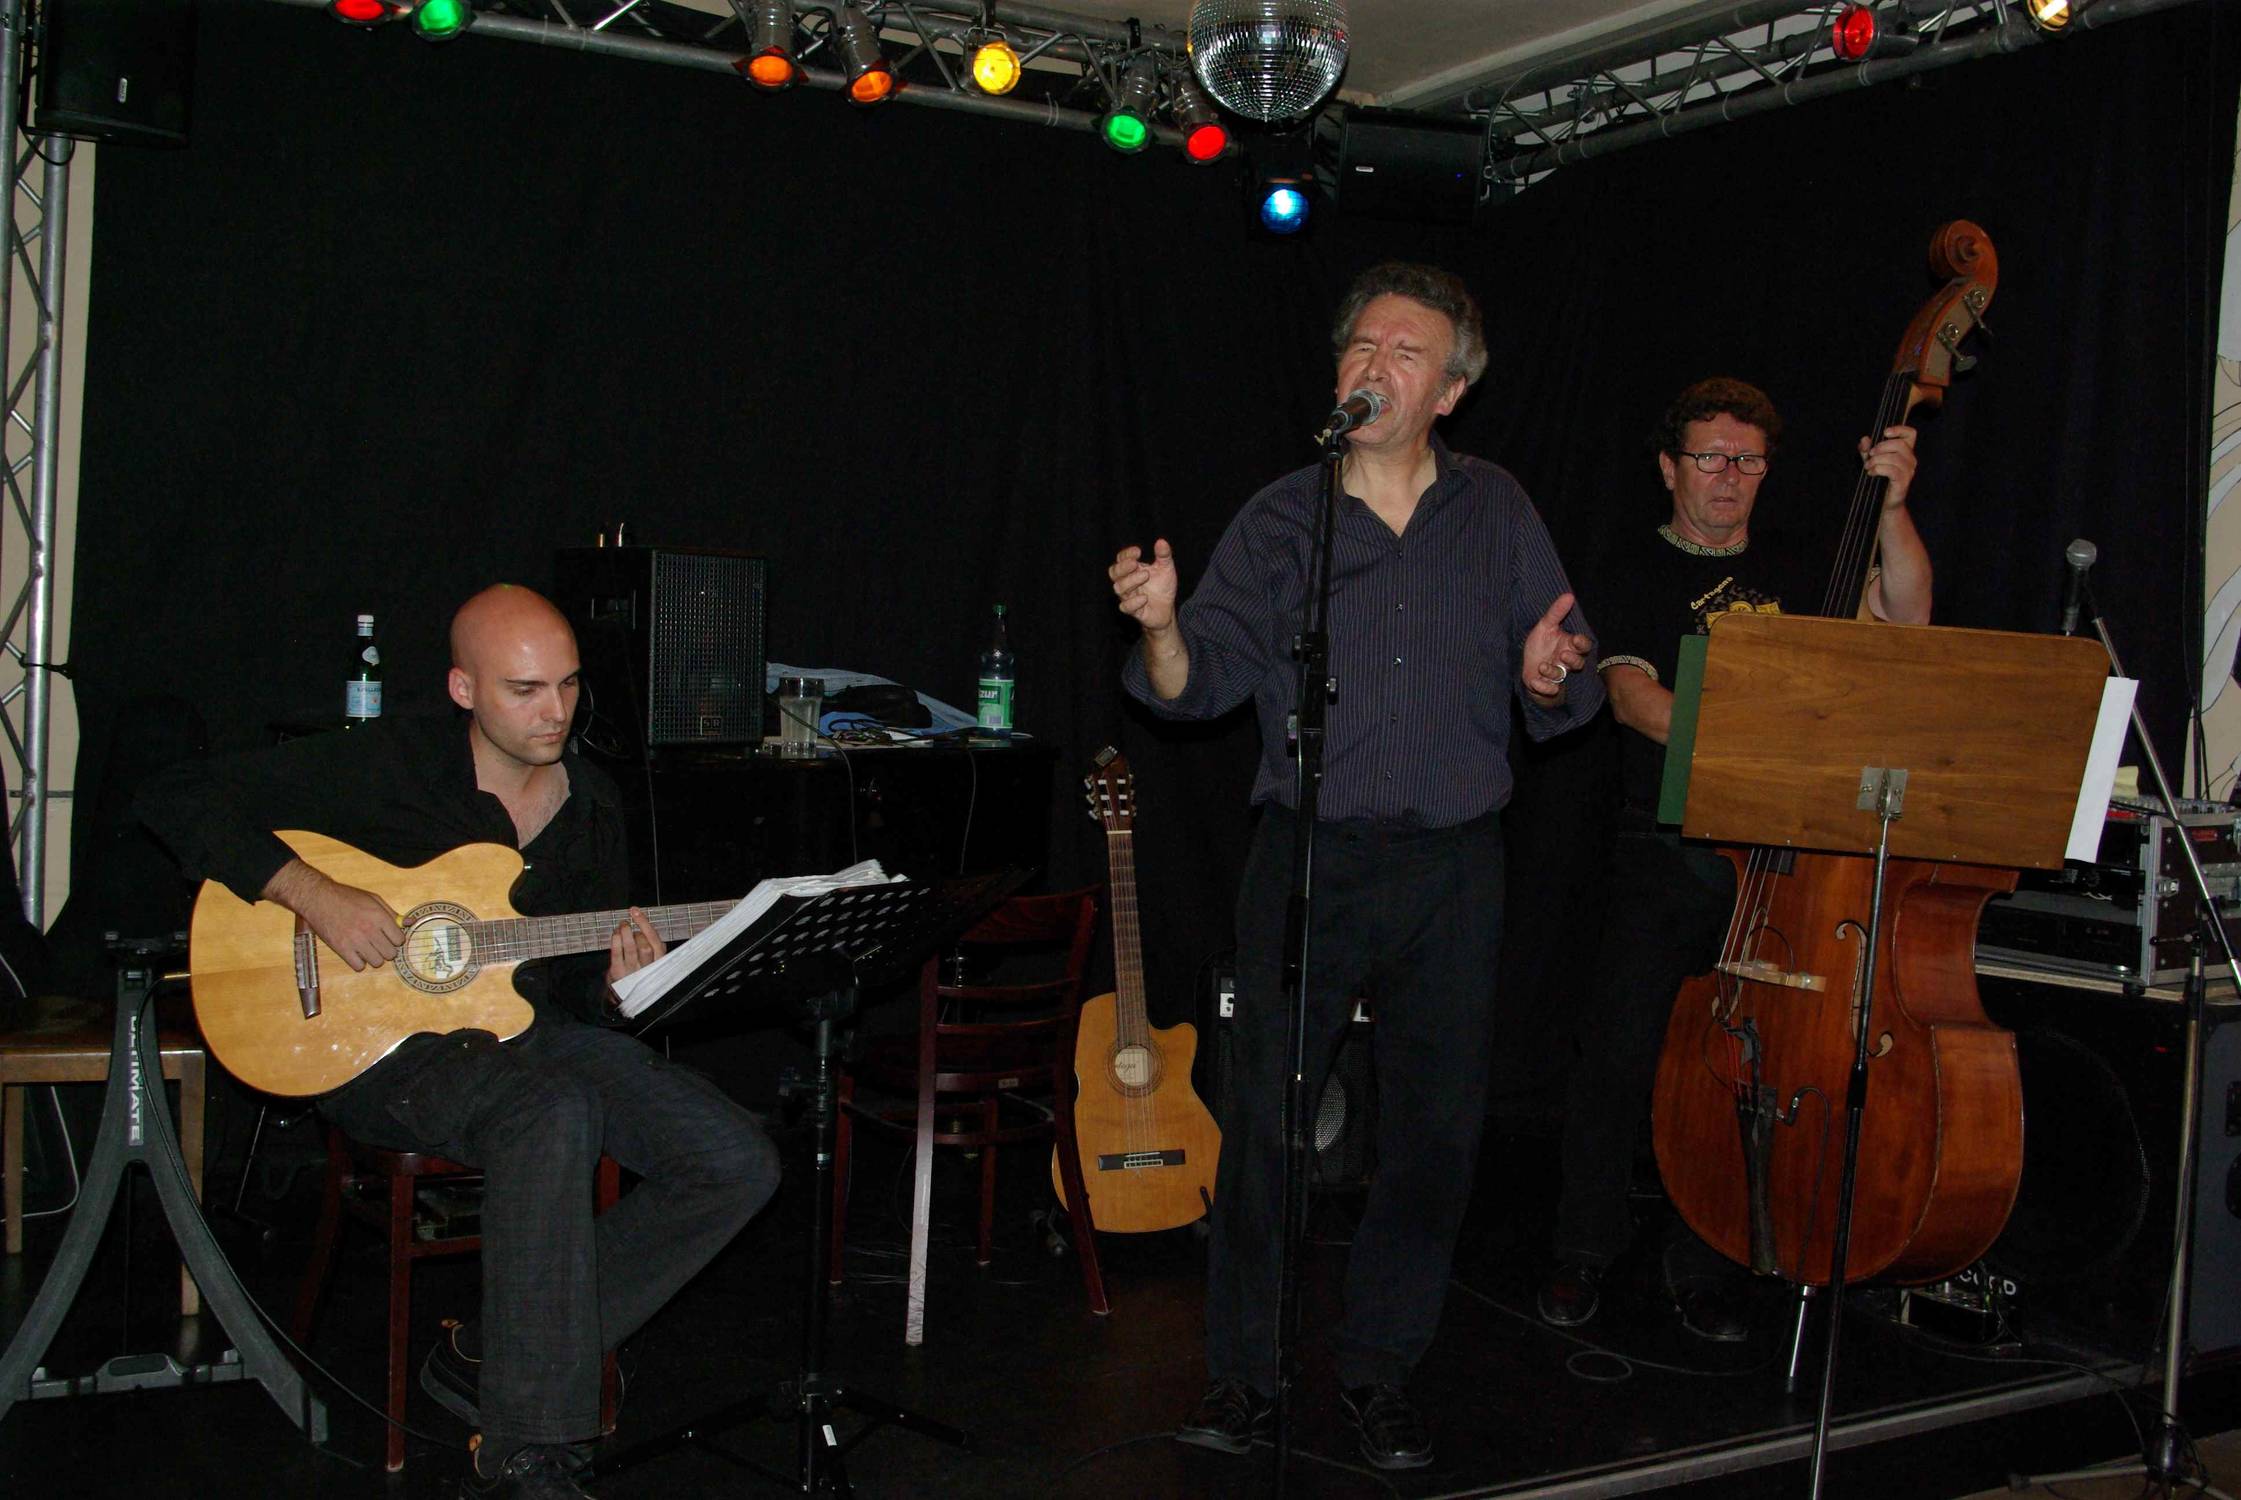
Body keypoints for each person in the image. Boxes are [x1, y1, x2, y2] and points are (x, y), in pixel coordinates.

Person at [1108, 262, 1601, 1471]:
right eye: (1362, 346)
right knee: (1266, 1127)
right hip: (1308, 856)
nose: (1376, 365)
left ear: (1452, 391)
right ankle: (1247, 1377)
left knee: (1433, 1136)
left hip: (1453, 867)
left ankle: (1381, 1373)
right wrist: (1163, 627)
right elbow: (1193, 688)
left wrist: (1552, 675)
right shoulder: (1285, 517)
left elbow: (1569, 668)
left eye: (1406, 351)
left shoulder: (1498, 510)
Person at [140, 585, 780, 1500]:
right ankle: (529, 1449)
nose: (555, 711)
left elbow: (572, 992)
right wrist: (312, 893)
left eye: (568, 685)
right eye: (525, 689)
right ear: (462, 688)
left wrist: (616, 986)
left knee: (734, 1159)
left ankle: (490, 1353)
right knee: (550, 1110)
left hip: (525, 1033)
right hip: (379, 1044)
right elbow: (174, 793)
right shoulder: (390, 765)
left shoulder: (592, 804)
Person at [1537, 377, 1928, 1341]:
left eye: (1747, 461)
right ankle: (1581, 1249)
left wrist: (1892, 509)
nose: (1728, 477)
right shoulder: (1629, 566)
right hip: (1665, 844)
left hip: (1783, 857)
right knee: (1619, 1050)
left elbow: (1906, 624)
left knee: (1745, 1064)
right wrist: (1759, 751)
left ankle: (1707, 1254)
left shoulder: (1804, 564)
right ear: (1668, 468)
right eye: (1709, 458)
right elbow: (1633, 700)